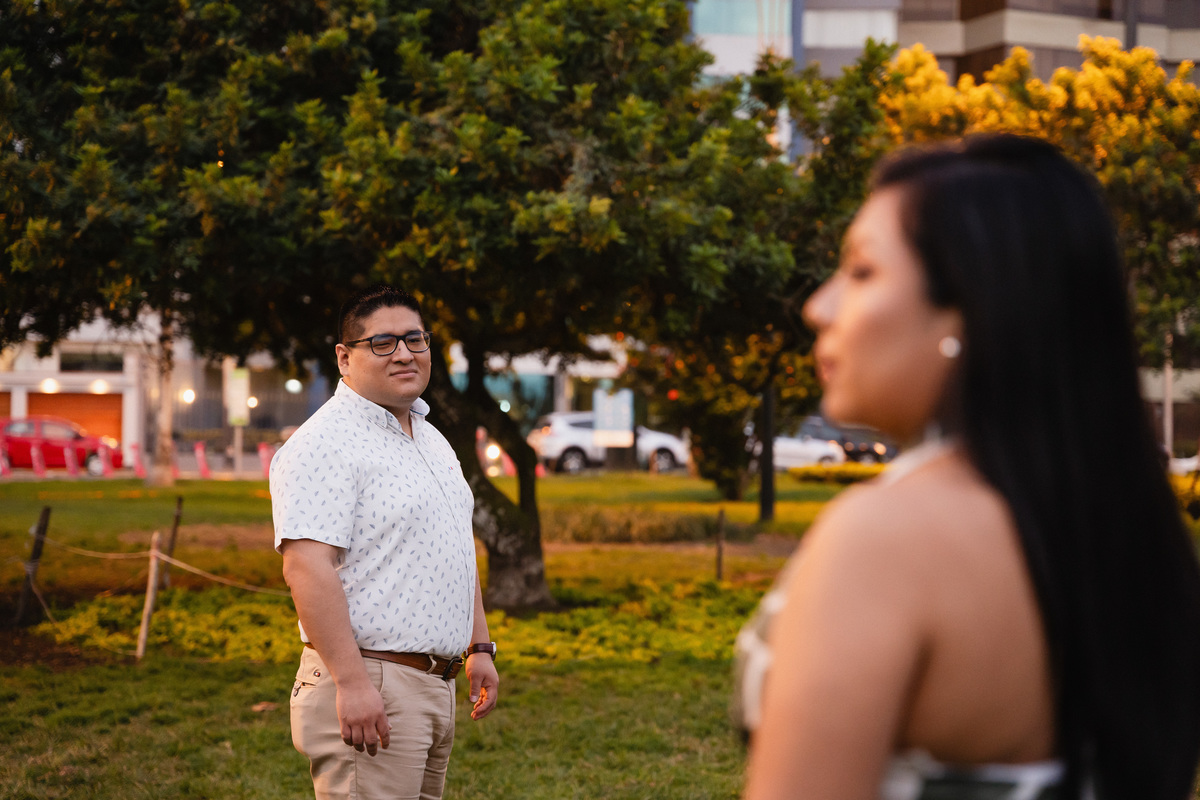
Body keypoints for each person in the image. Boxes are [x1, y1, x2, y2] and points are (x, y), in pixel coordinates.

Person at [741, 135, 1200, 800]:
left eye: (862, 272)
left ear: (970, 306)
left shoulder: (886, 541)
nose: (819, 307)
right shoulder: (1126, 535)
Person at [271, 284, 499, 800]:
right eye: (382, 342)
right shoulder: (323, 444)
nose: (403, 353)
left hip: (432, 686)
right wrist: (353, 684)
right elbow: (306, 568)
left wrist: (478, 645)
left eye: (415, 339)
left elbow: (453, 546)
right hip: (372, 678)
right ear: (344, 357)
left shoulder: (430, 437)